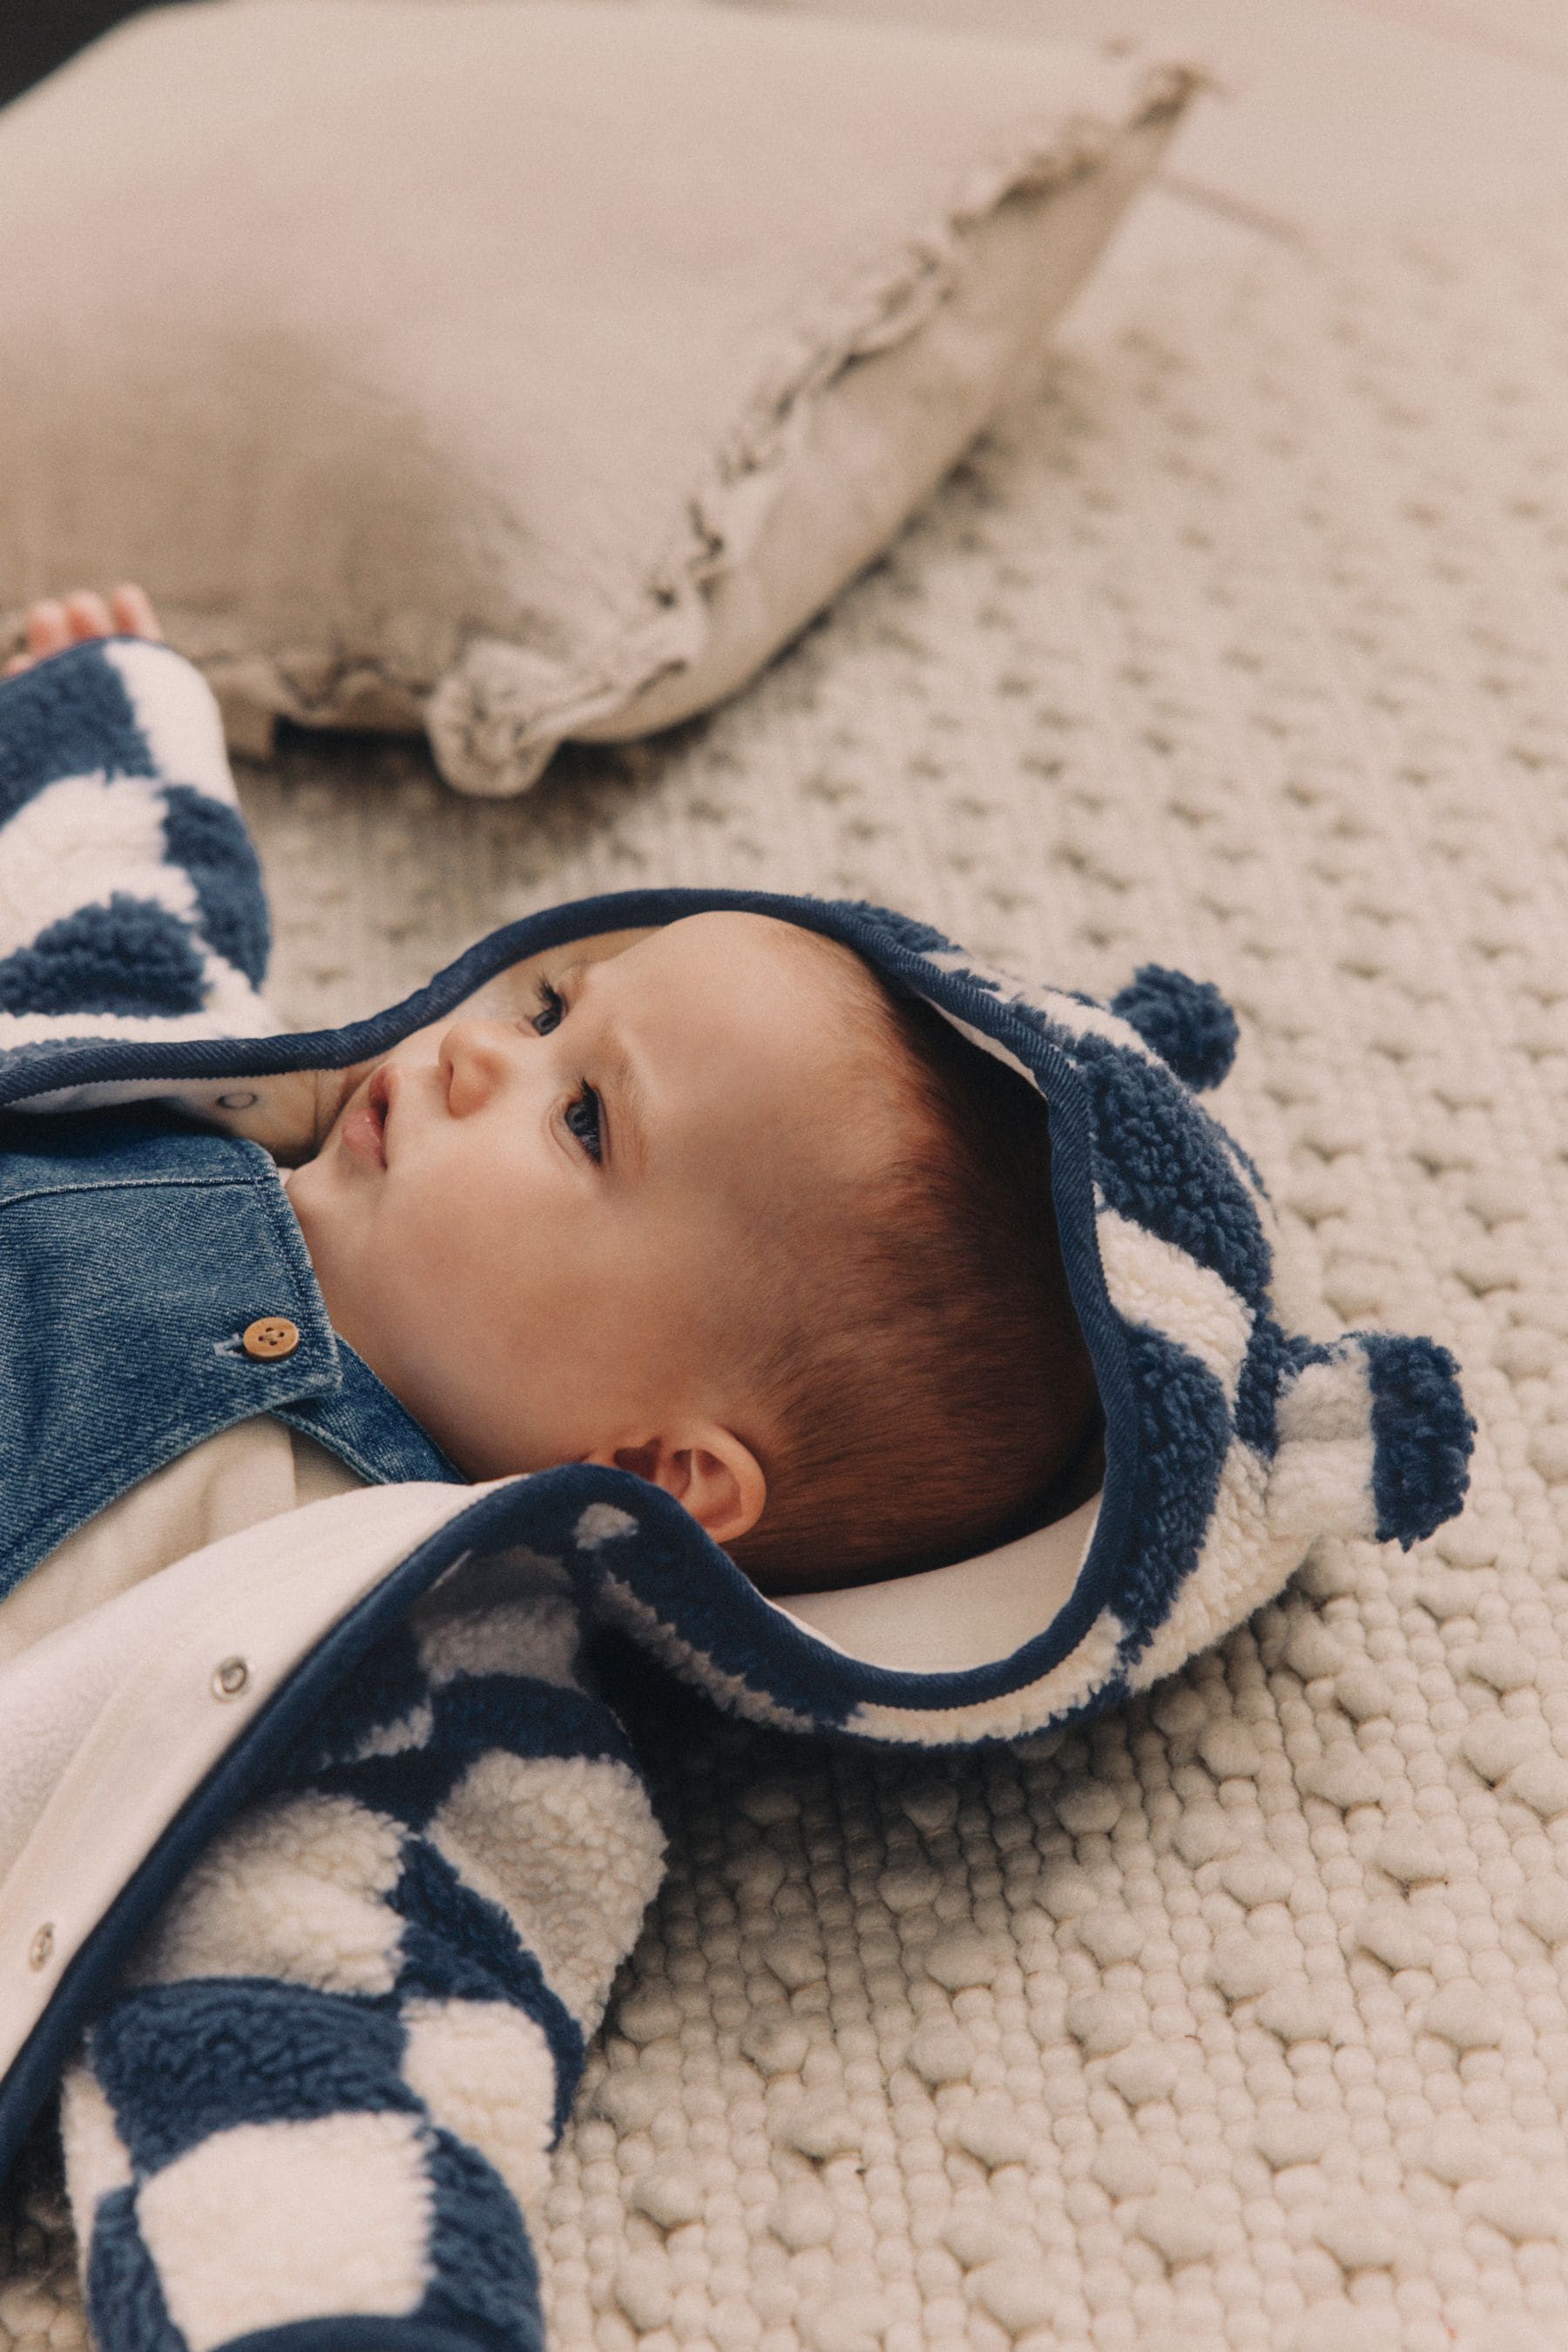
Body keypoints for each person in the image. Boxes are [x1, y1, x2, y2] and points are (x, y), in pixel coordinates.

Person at [0, 590, 1471, 2352]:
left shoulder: (418, 1676)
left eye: (582, 1120)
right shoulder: (154, 1096)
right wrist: (97, 711)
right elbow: (116, 928)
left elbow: (327, 2029)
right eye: (552, 1004)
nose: (478, 1048)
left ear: (661, 1468)